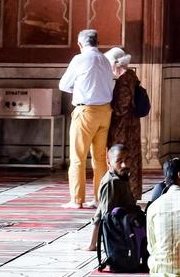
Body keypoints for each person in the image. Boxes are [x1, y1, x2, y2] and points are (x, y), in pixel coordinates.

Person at [59, 29, 115, 209]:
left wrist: (80, 89)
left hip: (86, 112)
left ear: (80, 44)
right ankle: (99, 199)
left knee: (77, 157)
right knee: (99, 158)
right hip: (105, 112)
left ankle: (77, 199)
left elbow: (64, 85)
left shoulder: (80, 59)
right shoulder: (105, 60)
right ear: (97, 42)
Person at [84, 143, 138, 252]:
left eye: (127, 160)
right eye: (119, 161)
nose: (124, 165)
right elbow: (105, 215)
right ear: (109, 163)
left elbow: (99, 211)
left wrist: (92, 244)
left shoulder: (121, 176)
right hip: (122, 232)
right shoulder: (112, 183)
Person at [105, 47, 143, 200]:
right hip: (132, 125)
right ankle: (131, 193)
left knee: (121, 159)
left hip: (123, 127)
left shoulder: (124, 80)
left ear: (116, 64)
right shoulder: (132, 76)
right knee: (131, 159)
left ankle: (126, 194)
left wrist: (107, 107)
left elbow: (121, 107)